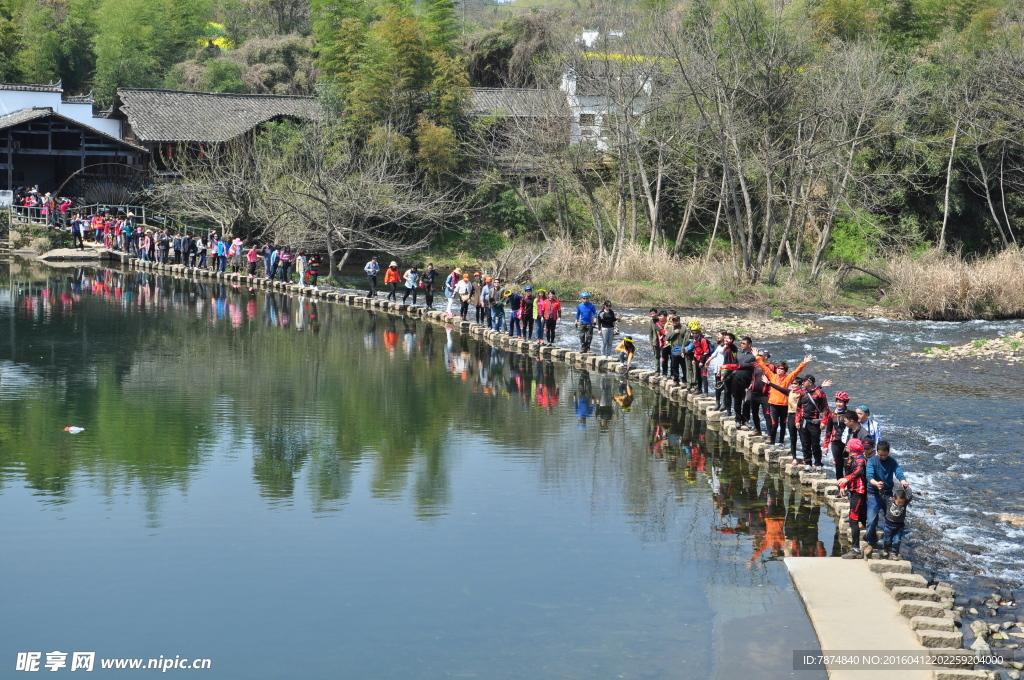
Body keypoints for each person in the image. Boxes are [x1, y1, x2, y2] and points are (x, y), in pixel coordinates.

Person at [756, 354, 810, 450]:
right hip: (773, 404)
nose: (779, 370)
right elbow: (764, 367)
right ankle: (772, 442)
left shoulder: (787, 378)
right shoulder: (772, 376)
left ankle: (781, 442)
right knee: (774, 424)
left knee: (783, 424)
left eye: (781, 369)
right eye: (778, 368)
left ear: (785, 371)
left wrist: (804, 363)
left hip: (784, 405)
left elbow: (796, 371)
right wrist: (757, 357)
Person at [865, 441, 908, 551]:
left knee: (892, 520)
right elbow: (869, 476)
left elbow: (898, 472)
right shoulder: (872, 461)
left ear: (888, 452)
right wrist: (876, 483)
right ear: (877, 452)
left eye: (885, 455)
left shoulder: (892, 461)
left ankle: (890, 545)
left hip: (888, 494)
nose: (883, 457)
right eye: (880, 455)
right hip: (873, 494)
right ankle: (871, 542)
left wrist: (903, 481)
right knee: (871, 521)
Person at [838, 438, 868, 559]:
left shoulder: (860, 459)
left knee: (853, 518)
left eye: (847, 445)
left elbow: (859, 470)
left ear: (851, 448)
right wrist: (843, 485)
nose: (846, 447)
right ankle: (867, 539)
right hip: (854, 490)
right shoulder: (853, 458)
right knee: (857, 517)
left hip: (859, 492)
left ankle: (855, 549)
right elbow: (848, 472)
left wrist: (847, 479)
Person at [797, 374, 830, 470]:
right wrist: (797, 421)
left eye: (804, 381)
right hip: (803, 421)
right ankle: (808, 462)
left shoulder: (820, 393)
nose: (802, 382)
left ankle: (818, 463)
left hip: (815, 422)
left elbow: (825, 409)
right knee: (805, 443)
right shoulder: (802, 393)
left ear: (810, 382)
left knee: (815, 444)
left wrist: (824, 422)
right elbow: (799, 408)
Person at [723, 336, 756, 428]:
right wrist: (725, 373)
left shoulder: (753, 355)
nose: (741, 345)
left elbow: (754, 367)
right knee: (737, 400)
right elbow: (733, 364)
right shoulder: (739, 353)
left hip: (747, 380)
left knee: (746, 401)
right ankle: (737, 420)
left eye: (744, 343)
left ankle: (746, 420)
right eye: (741, 343)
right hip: (736, 380)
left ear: (749, 345)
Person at [823, 390, 851, 479]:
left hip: (847, 443)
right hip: (835, 442)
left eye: (841, 402)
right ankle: (840, 487)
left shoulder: (849, 414)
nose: (838, 404)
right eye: (837, 401)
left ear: (845, 402)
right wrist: (825, 445)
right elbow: (828, 431)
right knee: (838, 465)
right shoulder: (832, 415)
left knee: (848, 465)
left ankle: (849, 485)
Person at [882, 487, 912, 560]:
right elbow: (882, 495)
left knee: (897, 540)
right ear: (894, 499)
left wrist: (907, 488)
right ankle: (885, 548)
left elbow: (910, 496)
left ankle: (895, 553)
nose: (900, 504)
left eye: (902, 503)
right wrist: (881, 488)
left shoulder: (904, 504)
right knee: (887, 539)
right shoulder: (889, 501)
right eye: (898, 502)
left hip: (899, 526)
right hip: (889, 525)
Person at [686, 322, 712, 394]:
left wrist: (702, 361)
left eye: (696, 333)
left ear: (699, 333)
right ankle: (699, 389)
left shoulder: (703, 340)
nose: (694, 334)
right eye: (693, 333)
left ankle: (706, 392)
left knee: (704, 375)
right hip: (697, 358)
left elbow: (706, 352)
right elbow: (695, 351)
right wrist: (694, 359)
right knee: (697, 375)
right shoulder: (694, 341)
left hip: (704, 359)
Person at [667, 316, 687, 385]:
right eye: (673, 321)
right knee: (674, 366)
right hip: (674, 350)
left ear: (679, 321)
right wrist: (674, 332)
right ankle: (676, 380)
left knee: (684, 366)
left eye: (676, 321)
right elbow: (667, 338)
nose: (674, 322)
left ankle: (684, 380)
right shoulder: (671, 329)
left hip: (682, 350)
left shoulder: (684, 328)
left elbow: (687, 338)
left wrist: (680, 332)